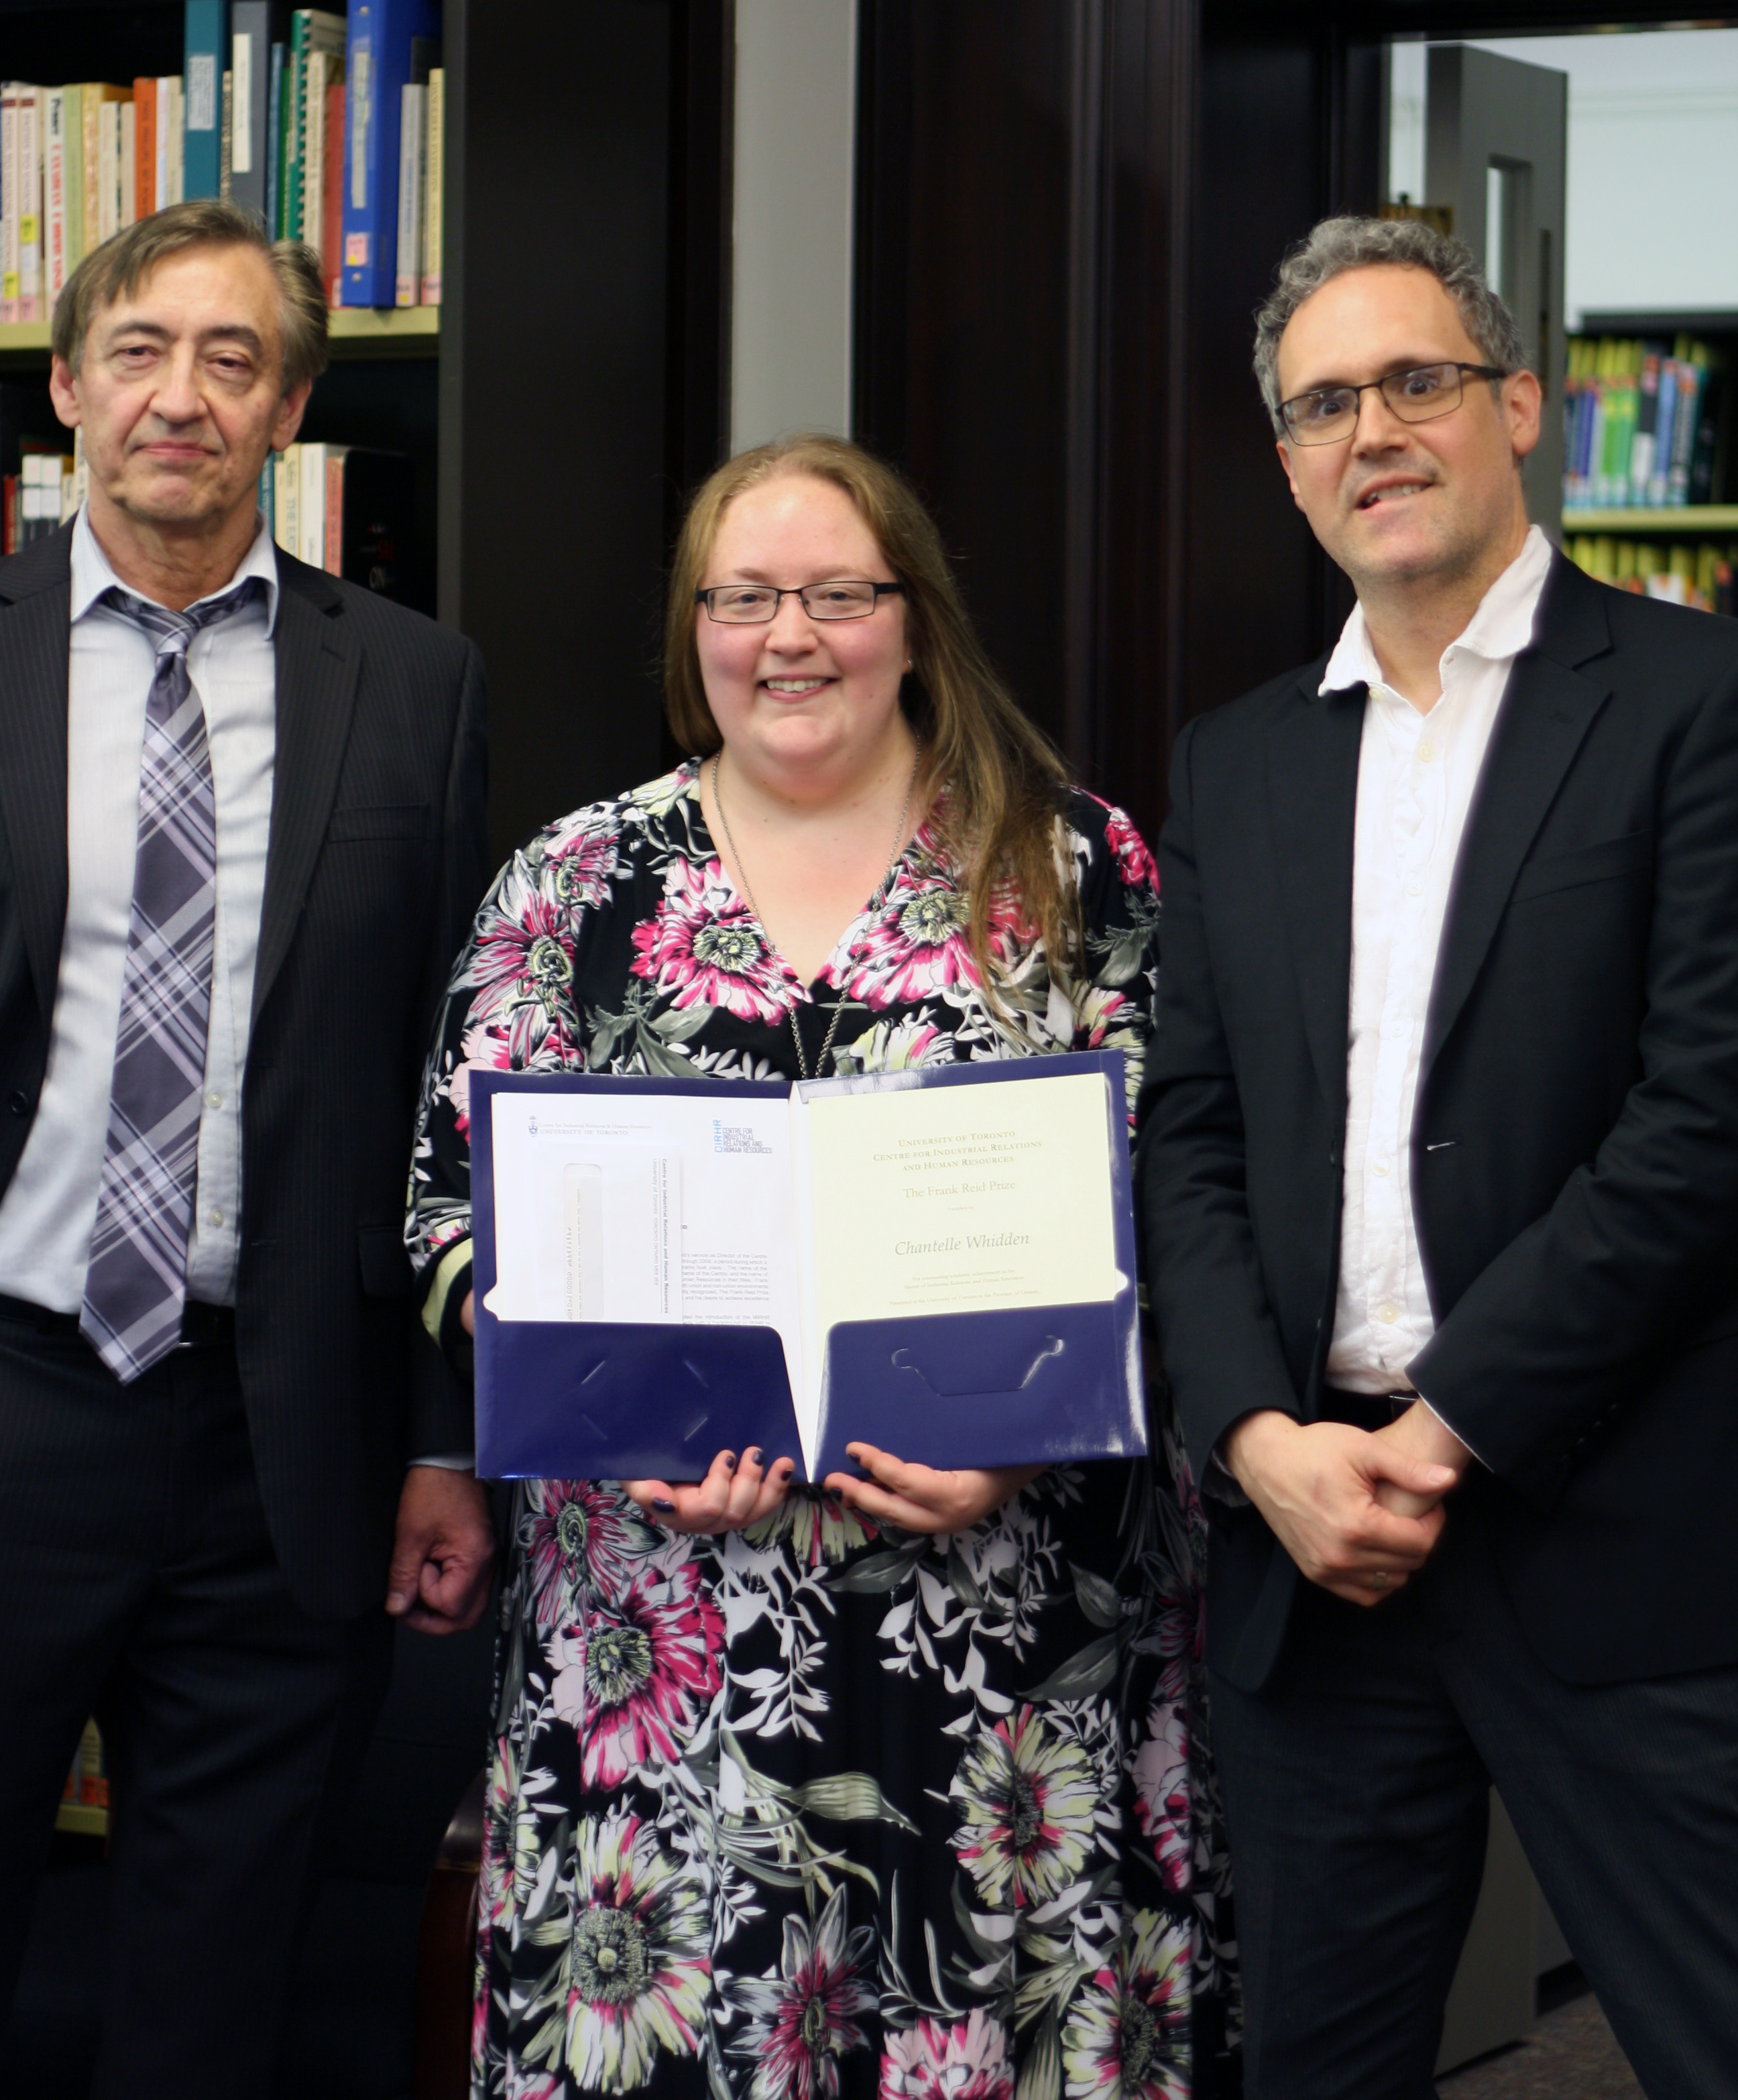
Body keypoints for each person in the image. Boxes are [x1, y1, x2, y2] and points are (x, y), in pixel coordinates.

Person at [408, 433, 1236, 2097]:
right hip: (660, 1635)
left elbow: (1195, 1201)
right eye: (744, 597)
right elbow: (448, 1218)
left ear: (913, 620)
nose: (789, 635)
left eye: (838, 595)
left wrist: (1025, 1436)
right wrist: (625, 1425)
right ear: (693, 629)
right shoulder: (572, 885)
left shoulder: (1079, 872)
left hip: (1008, 1630)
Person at [1137, 211, 1738, 2097]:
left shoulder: (1694, 702)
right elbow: (1192, 1135)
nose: (1373, 429)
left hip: (1620, 1531)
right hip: (1316, 1548)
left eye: (1417, 380)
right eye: (1326, 403)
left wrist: (1450, 1417)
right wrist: (1258, 1443)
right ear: (1292, 464)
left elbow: (1707, 1115)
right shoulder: (1236, 763)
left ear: (1523, 409)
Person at [0, 202, 496, 2096]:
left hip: (281, 1443)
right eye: (138, 350)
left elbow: (449, 1077)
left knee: (217, 1996)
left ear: (289, 404)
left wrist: (444, 1434)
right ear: (67, 389)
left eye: (230, 359)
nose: (179, 397)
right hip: (17, 1381)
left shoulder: (418, 685)